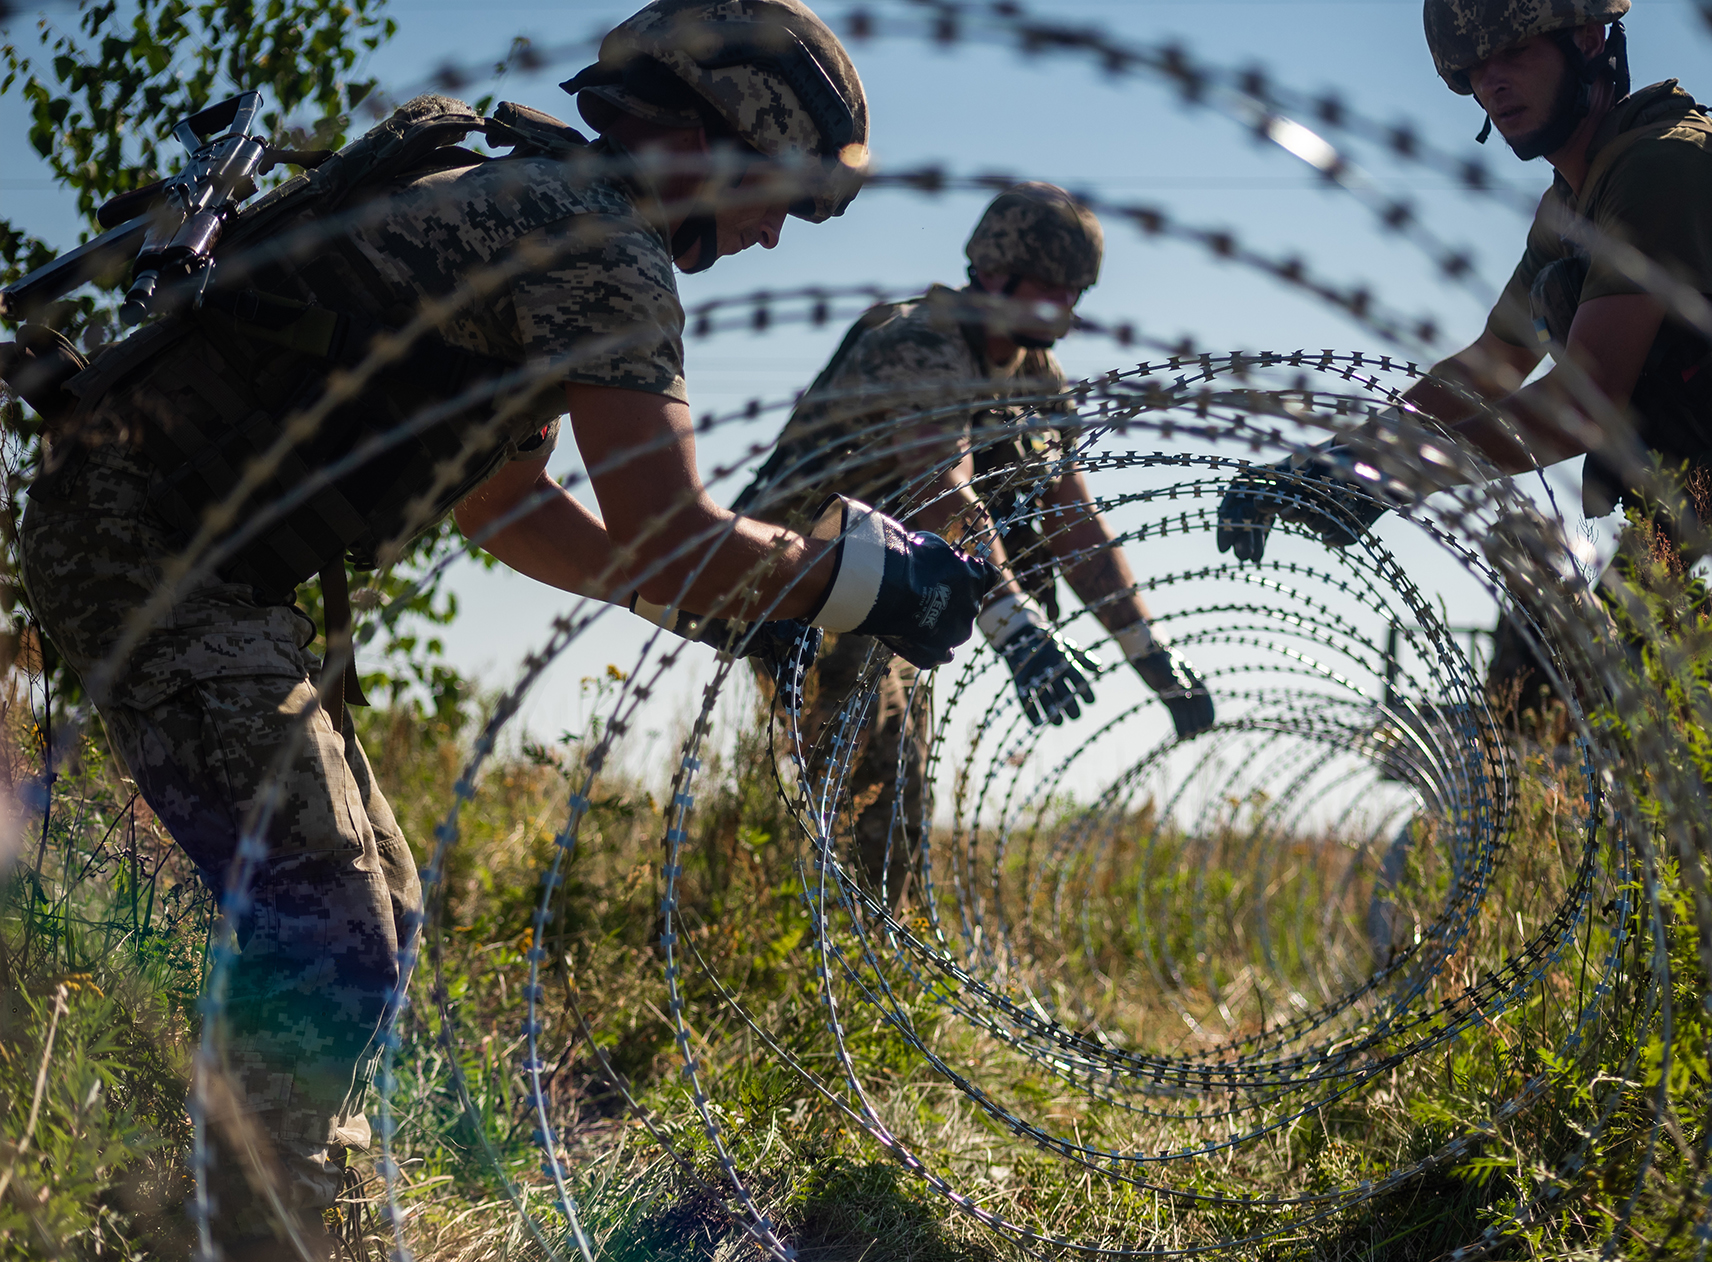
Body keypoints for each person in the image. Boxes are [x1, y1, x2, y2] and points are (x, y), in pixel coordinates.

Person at [10, 2, 993, 1254]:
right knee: (328, 919)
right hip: (150, 547)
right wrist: (865, 581)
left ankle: (241, 1197)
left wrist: (718, 602)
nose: (764, 235)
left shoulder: (532, 193)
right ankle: (238, 1228)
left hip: (165, 538)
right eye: (774, 197)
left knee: (378, 902)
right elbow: (669, 526)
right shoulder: (600, 247)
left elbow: (509, 503)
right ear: (705, 136)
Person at [1217, 0, 1712, 967]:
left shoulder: (1663, 167)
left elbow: (1585, 406)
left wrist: (1391, 482)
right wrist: (1337, 463)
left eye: (1512, 51)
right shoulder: (1576, 203)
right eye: (1470, 68)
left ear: (1587, 42)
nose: (1491, 79)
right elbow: (1492, 364)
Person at [736, 183, 1214, 907]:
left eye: (1074, 291)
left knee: (894, 778)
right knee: (879, 775)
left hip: (888, 591)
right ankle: (851, 959)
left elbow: (1073, 522)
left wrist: (1148, 654)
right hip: (801, 579)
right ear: (992, 272)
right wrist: (1019, 630)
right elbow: (944, 492)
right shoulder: (919, 342)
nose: (1064, 309)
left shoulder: (1036, 378)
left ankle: (871, 948)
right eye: (1049, 289)